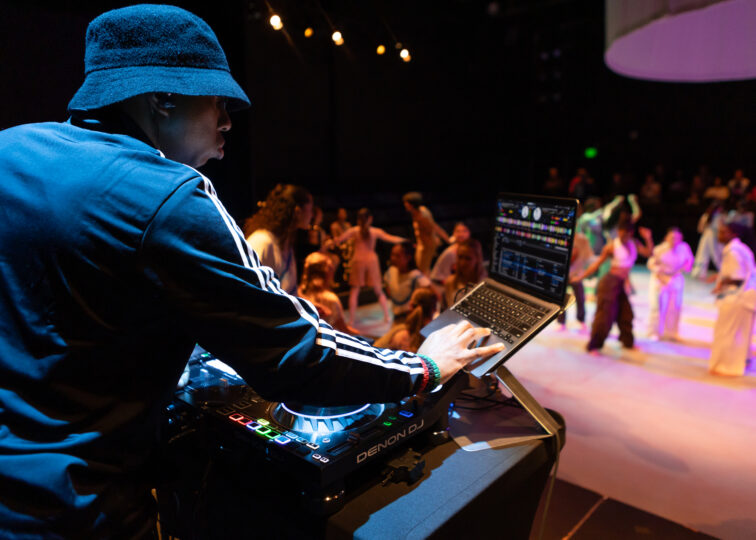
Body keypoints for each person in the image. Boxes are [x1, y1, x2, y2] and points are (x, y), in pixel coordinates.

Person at [0, 6, 504, 537]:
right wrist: (423, 369)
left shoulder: (11, 150)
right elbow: (299, 357)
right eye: (218, 102)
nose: (226, 123)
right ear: (162, 99)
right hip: (79, 510)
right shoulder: (170, 195)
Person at [575, 218, 654, 353]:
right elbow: (597, 264)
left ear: (631, 233)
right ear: (618, 232)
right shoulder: (612, 246)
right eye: (621, 234)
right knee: (605, 316)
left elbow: (649, 253)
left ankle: (627, 342)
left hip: (621, 284)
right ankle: (594, 345)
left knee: (626, 314)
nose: (623, 237)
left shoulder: (634, 243)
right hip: (609, 284)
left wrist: (648, 238)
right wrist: (581, 276)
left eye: (626, 234)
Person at [334, 208, 407, 323]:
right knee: (378, 290)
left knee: (355, 290)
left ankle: (351, 320)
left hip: (358, 261)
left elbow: (338, 240)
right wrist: (405, 240)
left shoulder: (354, 231)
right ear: (370, 219)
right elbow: (391, 238)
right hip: (371, 262)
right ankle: (387, 316)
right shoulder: (374, 231)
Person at [244, 183, 313, 295]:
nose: (312, 215)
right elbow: (248, 289)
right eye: (310, 209)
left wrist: (305, 304)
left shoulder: (285, 243)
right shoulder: (262, 241)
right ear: (298, 211)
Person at [709, 221, 756, 376]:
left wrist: (722, 283)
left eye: (724, 232)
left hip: (737, 296)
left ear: (734, 234)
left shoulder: (733, 251)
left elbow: (737, 277)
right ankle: (742, 361)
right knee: (741, 332)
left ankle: (728, 367)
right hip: (747, 295)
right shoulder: (741, 248)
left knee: (728, 332)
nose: (719, 234)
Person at [646, 228, 694, 341]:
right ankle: (654, 332)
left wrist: (686, 267)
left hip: (676, 279)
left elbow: (689, 261)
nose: (675, 240)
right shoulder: (660, 249)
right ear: (666, 238)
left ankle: (671, 333)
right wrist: (660, 275)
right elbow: (651, 264)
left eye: (678, 238)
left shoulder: (684, 248)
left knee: (674, 307)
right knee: (658, 306)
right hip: (660, 278)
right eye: (672, 238)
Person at [298, 252, 358, 335]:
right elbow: (344, 330)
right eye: (331, 267)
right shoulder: (331, 299)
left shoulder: (299, 293)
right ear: (327, 272)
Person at [374, 288, 438, 352]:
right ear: (434, 309)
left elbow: (375, 348)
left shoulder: (398, 332)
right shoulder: (437, 337)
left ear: (410, 306)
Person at [402, 191, 450, 274]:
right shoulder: (417, 212)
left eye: (406, 203)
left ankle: (427, 285)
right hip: (422, 243)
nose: (404, 204)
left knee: (423, 269)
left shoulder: (422, 217)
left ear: (411, 204)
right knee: (422, 267)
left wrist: (445, 238)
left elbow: (432, 228)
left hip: (426, 244)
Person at [384, 242, 433, 324]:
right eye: (392, 255)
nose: (393, 258)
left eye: (398, 256)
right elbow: (389, 289)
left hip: (412, 320)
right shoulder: (390, 272)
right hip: (397, 319)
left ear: (408, 257)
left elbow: (432, 294)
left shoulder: (415, 275)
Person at [557, 230, 592, 331]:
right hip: (564, 273)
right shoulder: (563, 237)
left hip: (576, 274)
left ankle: (581, 320)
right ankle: (561, 322)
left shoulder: (582, 240)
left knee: (580, 297)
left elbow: (586, 256)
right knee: (561, 298)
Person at [441, 239, 487, 310]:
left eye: (468, 258)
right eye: (460, 257)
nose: (462, 263)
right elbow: (449, 309)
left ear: (477, 259)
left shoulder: (484, 284)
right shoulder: (450, 281)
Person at [430, 221, 471, 287]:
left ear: (469, 232)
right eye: (458, 231)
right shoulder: (450, 253)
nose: (461, 234)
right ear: (454, 233)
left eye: (464, 231)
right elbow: (446, 278)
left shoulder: (469, 249)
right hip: (442, 285)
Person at [692, 201, 725, 278]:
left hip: (707, 236)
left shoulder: (706, 216)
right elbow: (721, 228)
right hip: (713, 236)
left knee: (703, 254)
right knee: (716, 255)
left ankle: (699, 272)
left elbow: (700, 229)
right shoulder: (719, 217)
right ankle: (723, 272)